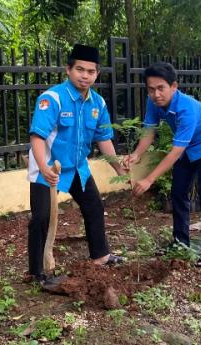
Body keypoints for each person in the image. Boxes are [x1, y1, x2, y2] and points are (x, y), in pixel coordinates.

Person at [26, 44, 126, 282]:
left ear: (97, 74)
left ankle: (100, 256)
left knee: (94, 207)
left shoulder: (98, 104)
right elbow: (37, 137)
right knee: (41, 218)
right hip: (47, 167)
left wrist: (119, 168)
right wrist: (44, 168)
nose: (85, 76)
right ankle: (37, 272)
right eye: (80, 69)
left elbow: (104, 139)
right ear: (68, 69)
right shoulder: (52, 99)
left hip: (77, 168)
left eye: (91, 71)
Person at [124, 62, 201, 266]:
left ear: (174, 86)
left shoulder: (186, 109)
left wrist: (149, 180)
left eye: (161, 88)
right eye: (151, 89)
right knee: (178, 192)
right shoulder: (153, 102)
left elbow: (175, 152)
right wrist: (136, 154)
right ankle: (180, 243)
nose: (156, 94)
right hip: (187, 147)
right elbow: (149, 131)